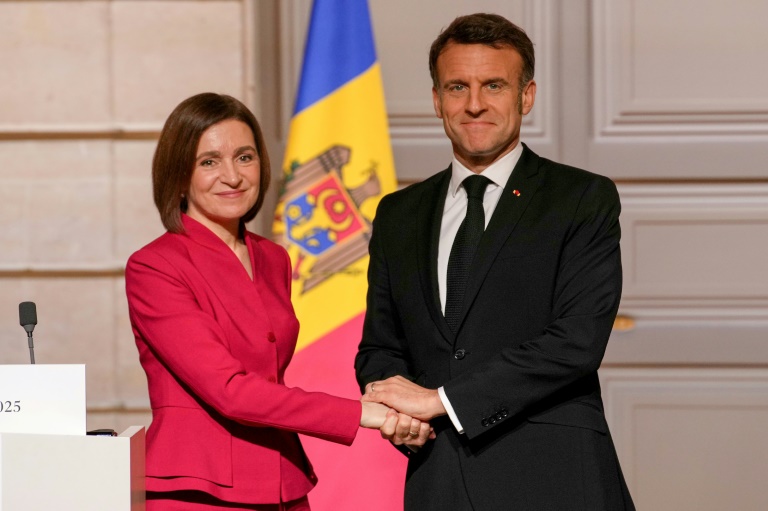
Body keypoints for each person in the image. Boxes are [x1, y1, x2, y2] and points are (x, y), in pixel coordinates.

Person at [356, 13, 635, 510]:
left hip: (555, 478)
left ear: (526, 96)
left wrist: (440, 402)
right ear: (437, 100)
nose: (474, 103)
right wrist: (398, 410)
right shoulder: (398, 213)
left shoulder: (581, 198)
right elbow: (381, 345)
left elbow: (576, 342)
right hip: (439, 479)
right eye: (457, 87)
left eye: (494, 85)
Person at [125, 92, 396, 511]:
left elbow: (268, 372)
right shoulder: (155, 267)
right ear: (179, 176)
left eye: (245, 157)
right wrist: (361, 413)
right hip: (200, 491)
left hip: (284, 481)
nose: (232, 176)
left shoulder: (273, 258)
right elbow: (229, 390)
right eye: (209, 162)